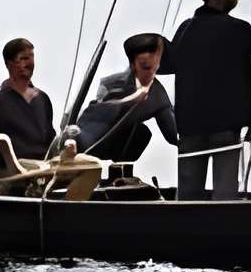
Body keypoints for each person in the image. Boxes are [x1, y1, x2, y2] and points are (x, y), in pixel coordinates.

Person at [167, 0, 251, 199]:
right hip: (228, 122)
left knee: (189, 191)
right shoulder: (241, 30)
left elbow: (170, 64)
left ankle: (186, 227)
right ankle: (225, 227)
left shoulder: (186, 29)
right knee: (225, 190)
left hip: (191, 121)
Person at [72, 32, 178, 174]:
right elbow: (94, 117)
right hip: (80, 148)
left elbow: (173, 134)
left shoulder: (157, 94)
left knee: (141, 133)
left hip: (115, 155)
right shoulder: (110, 84)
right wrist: (130, 101)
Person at [0, 37, 56, 163]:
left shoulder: (42, 98)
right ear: (9, 64)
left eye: (31, 57)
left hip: (43, 168)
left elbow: (51, 138)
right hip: (11, 168)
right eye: (22, 59)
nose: (28, 63)